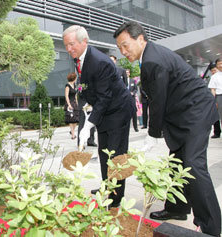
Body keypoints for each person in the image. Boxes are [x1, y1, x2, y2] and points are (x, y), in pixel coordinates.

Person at [114, 21, 221, 236]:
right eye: (120, 49)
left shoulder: (153, 60)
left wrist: (152, 135)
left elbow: (158, 101)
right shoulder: (150, 56)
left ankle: (211, 225)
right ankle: (177, 209)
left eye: (126, 45)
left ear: (141, 39)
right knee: (177, 162)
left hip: (195, 112)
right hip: (183, 113)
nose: (124, 52)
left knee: (192, 165)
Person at [63, 25, 135, 207]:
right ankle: (106, 187)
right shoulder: (80, 59)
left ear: (84, 41)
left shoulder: (99, 61)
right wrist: (87, 107)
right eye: (66, 45)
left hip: (118, 111)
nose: (69, 49)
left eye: (72, 44)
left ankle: (115, 198)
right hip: (104, 110)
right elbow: (88, 87)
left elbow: (104, 97)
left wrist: (88, 125)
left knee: (116, 155)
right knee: (104, 153)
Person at [208, 59, 222, 139]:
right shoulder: (214, 77)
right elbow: (212, 89)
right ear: (217, 65)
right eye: (219, 64)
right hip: (219, 96)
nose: (221, 65)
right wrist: (214, 100)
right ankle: (217, 132)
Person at [64, 72, 80, 139]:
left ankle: (72, 131)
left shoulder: (74, 85)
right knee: (71, 119)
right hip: (70, 103)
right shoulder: (67, 86)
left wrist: (77, 103)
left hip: (74, 103)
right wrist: (69, 104)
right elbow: (66, 96)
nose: (76, 79)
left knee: (76, 119)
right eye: (76, 78)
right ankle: (73, 134)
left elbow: (75, 95)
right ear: (74, 78)